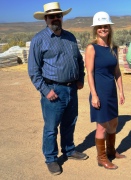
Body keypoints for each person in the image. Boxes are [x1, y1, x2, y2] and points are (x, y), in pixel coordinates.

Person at [28, 2, 88, 175]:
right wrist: (46, 91)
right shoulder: (39, 40)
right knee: (51, 127)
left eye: (58, 15)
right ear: (46, 19)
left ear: (62, 17)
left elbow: (78, 61)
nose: (55, 18)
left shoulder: (70, 37)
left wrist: (80, 78)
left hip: (71, 89)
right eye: (52, 16)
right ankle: (51, 159)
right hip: (53, 90)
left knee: (70, 122)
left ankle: (69, 150)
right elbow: (33, 71)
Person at [85, 11, 125, 170]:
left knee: (114, 123)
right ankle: (101, 158)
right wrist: (94, 95)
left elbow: (117, 72)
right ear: (95, 29)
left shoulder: (113, 48)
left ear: (110, 28)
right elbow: (89, 73)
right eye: (99, 27)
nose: (103, 29)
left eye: (105, 26)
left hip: (111, 92)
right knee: (101, 126)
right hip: (99, 92)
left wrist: (121, 91)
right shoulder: (91, 48)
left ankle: (111, 151)